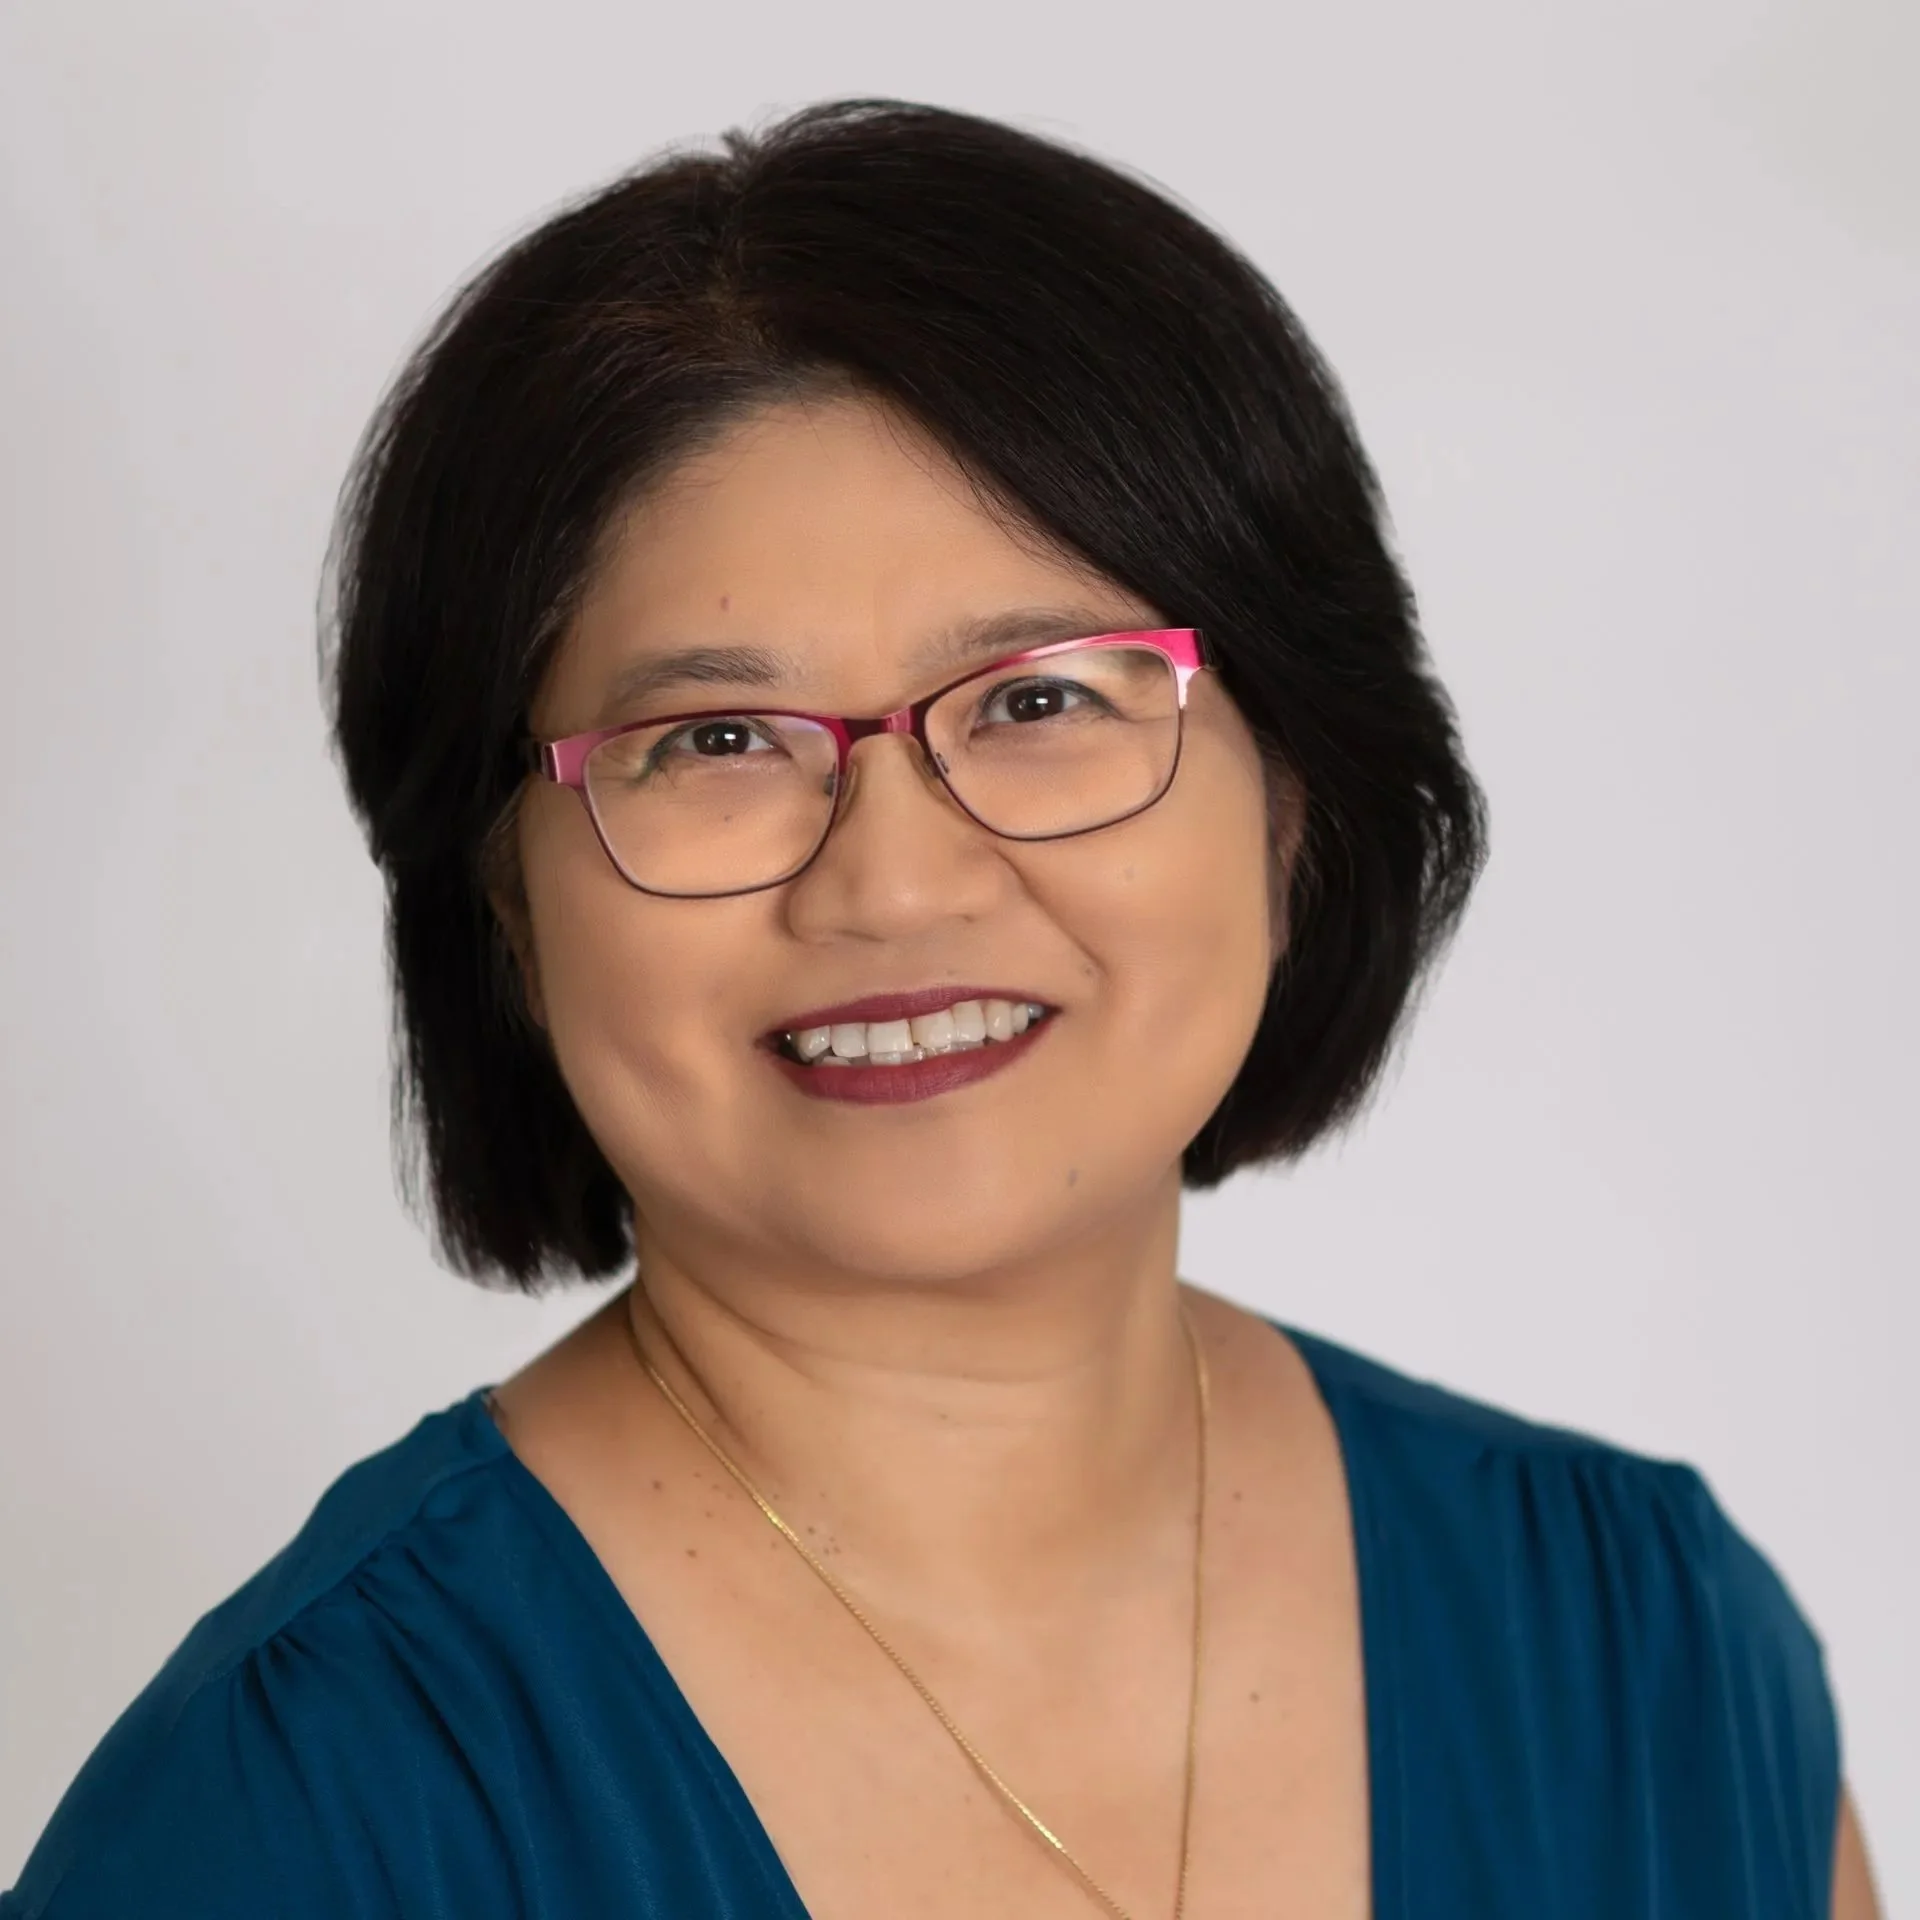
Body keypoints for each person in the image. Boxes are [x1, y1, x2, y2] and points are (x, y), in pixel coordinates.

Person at [3, 99, 1880, 1920]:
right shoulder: (290, 1820)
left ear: (1296, 797)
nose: (894, 885)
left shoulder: (1660, 1655)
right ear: (502, 892)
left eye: (1042, 699)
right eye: (712, 741)